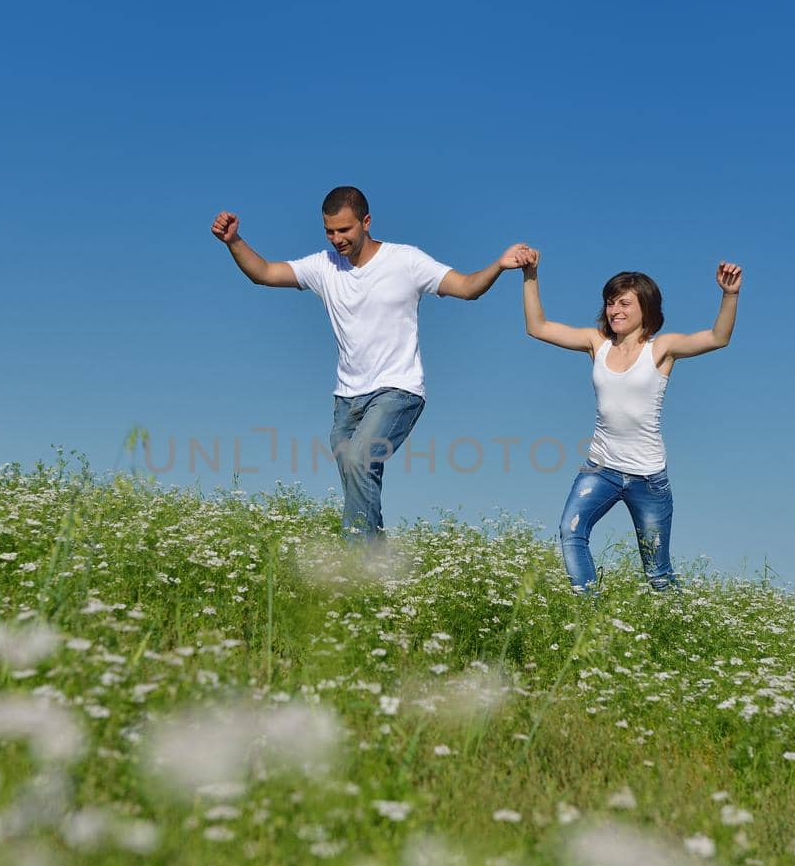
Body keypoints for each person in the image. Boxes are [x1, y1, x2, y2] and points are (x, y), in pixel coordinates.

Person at [212, 186, 533, 539]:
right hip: (346, 399)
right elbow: (266, 273)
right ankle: (379, 564)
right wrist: (234, 241)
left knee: (358, 459)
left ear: (365, 222)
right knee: (357, 477)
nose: (337, 239)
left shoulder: (405, 261)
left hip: (399, 390)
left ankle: (358, 565)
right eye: (329, 231)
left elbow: (468, 287)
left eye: (344, 230)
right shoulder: (323, 266)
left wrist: (500, 266)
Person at [521, 254, 743, 593]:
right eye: (610, 303)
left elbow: (717, 337)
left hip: (648, 478)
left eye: (624, 303)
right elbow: (537, 327)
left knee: (658, 574)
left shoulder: (661, 349)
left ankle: (679, 627)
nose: (615, 310)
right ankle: (589, 616)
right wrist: (531, 275)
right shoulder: (597, 343)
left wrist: (730, 295)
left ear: (646, 309)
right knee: (571, 531)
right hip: (601, 468)